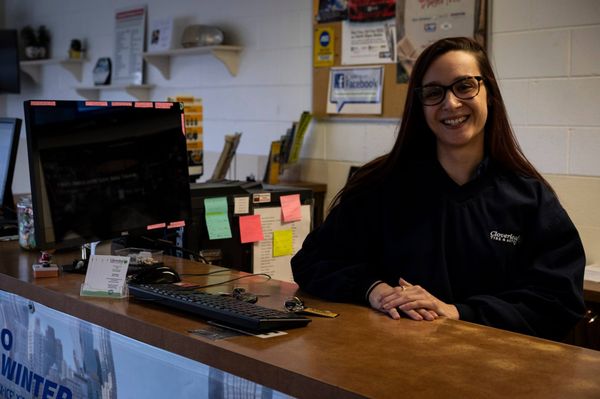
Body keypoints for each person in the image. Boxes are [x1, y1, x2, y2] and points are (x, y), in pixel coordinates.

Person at [291, 37, 586, 341]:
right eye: (434, 92)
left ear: (490, 94)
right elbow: (313, 261)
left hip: (495, 376)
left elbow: (559, 301)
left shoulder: (529, 198)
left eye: (464, 86)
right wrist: (374, 290)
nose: (451, 103)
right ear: (419, 106)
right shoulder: (379, 186)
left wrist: (458, 312)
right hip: (389, 369)